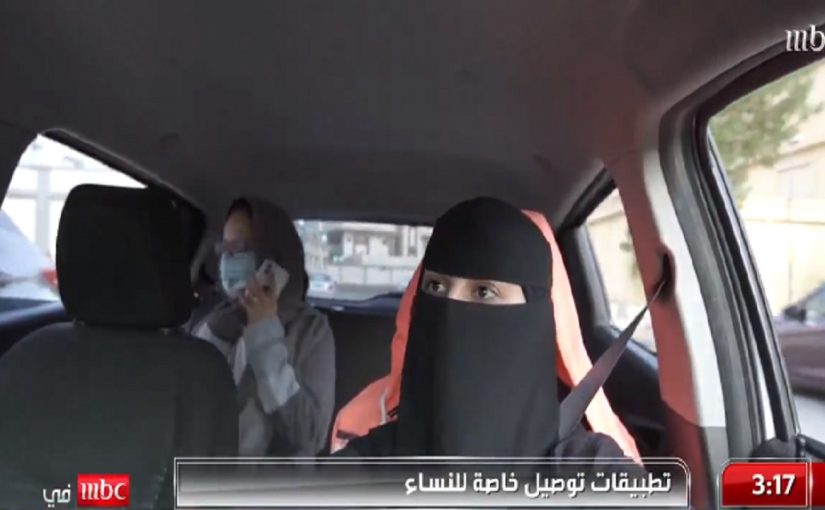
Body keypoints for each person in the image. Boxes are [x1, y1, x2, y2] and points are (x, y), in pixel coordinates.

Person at [335, 197, 643, 474]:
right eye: (436, 287)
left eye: (484, 291)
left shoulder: (591, 470)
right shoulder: (369, 461)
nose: (450, 310)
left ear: (533, 321)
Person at [192, 197, 335, 456]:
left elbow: (310, 435)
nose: (228, 259)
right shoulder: (213, 325)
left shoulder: (311, 330)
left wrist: (264, 336)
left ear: (273, 256)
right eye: (224, 249)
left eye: (239, 248)